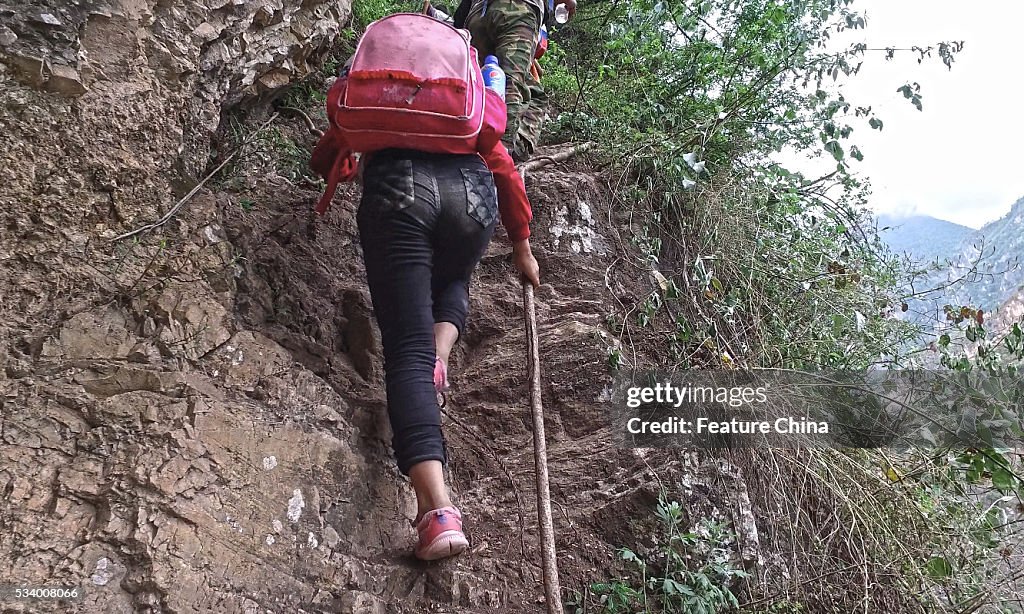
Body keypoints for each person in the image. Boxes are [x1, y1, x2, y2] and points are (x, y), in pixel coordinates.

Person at [310, 50, 540, 561]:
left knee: (405, 352)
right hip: (472, 196)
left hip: (399, 191)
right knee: (453, 276)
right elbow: (500, 161)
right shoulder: (465, 95)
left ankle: (437, 511)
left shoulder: (382, 84)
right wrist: (522, 246)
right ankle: (439, 356)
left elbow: (336, 139)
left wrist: (329, 167)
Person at [458, 0, 577, 162]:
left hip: (477, 17)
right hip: (519, 11)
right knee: (511, 84)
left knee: (480, 82)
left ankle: (470, 139)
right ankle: (500, 154)